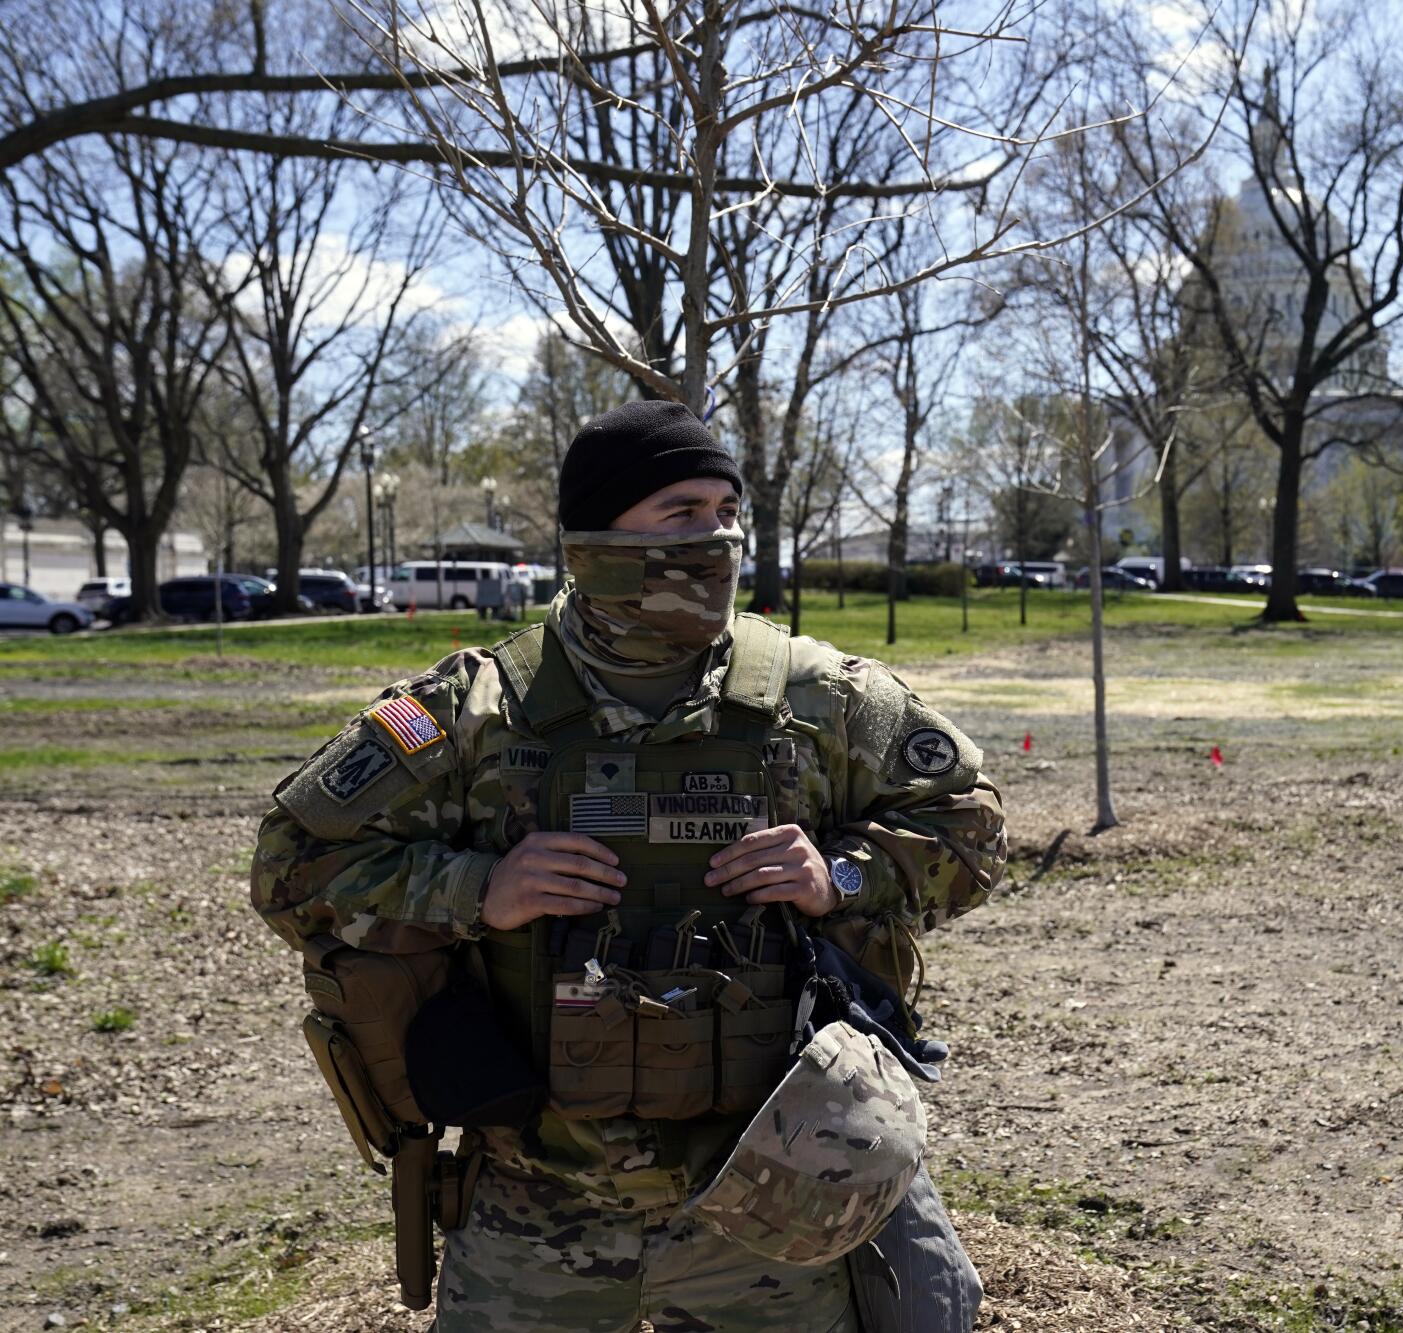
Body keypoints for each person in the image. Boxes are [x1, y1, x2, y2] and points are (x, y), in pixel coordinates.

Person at [250, 400, 1005, 1332]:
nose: (717, 534)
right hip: (537, 1204)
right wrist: (478, 889)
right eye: (681, 511)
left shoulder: (822, 698)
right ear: (593, 536)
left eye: (727, 509)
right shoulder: (476, 708)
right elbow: (292, 861)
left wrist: (840, 875)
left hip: (769, 1198)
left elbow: (970, 824)